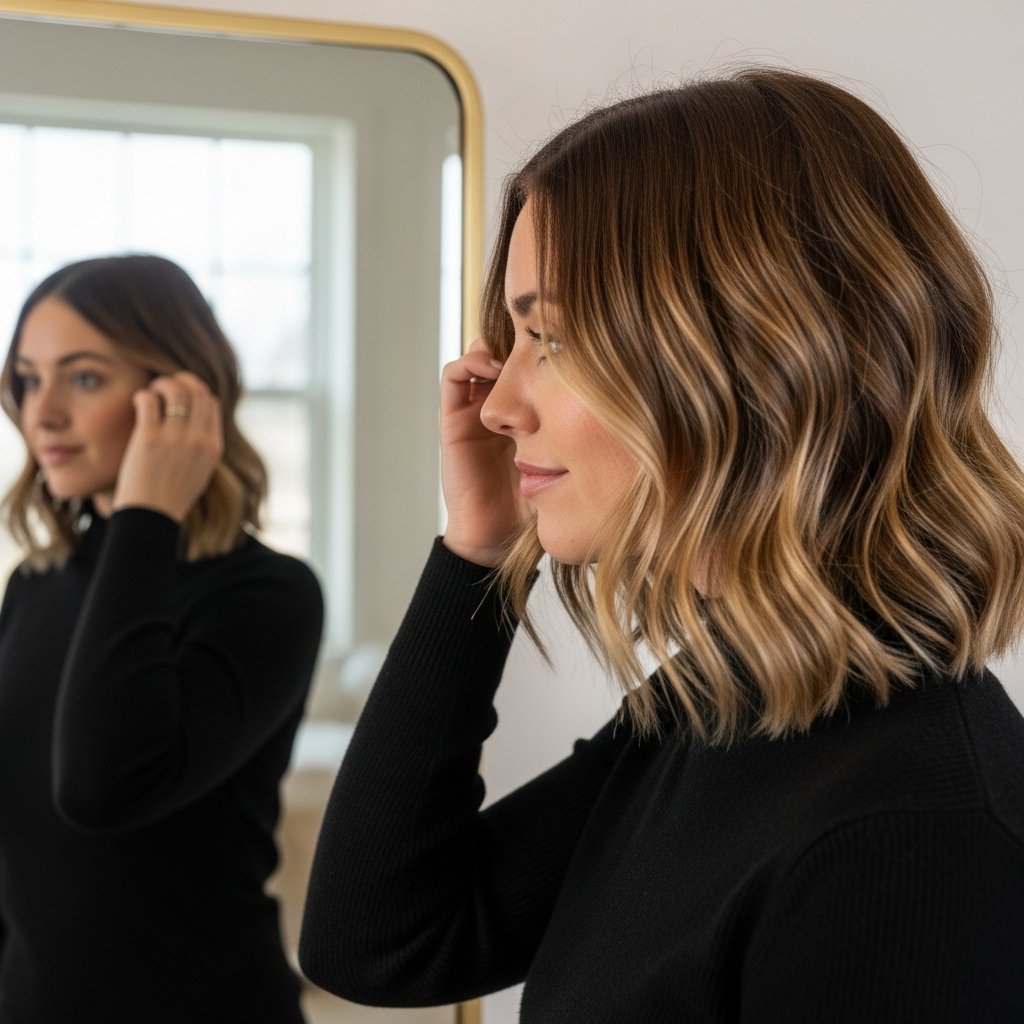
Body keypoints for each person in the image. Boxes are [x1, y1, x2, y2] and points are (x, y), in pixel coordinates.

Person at [298, 68, 1024, 1021]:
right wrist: (480, 548)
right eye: (513, 338)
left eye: (554, 339)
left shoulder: (912, 842)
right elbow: (378, 937)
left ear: (753, 358)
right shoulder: (721, 700)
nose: (499, 404)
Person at [0, 255, 323, 1023]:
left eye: (83, 378)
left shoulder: (268, 596)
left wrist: (146, 515)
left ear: (180, 397)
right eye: (28, 380)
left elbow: (102, 785)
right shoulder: (36, 584)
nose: (43, 414)